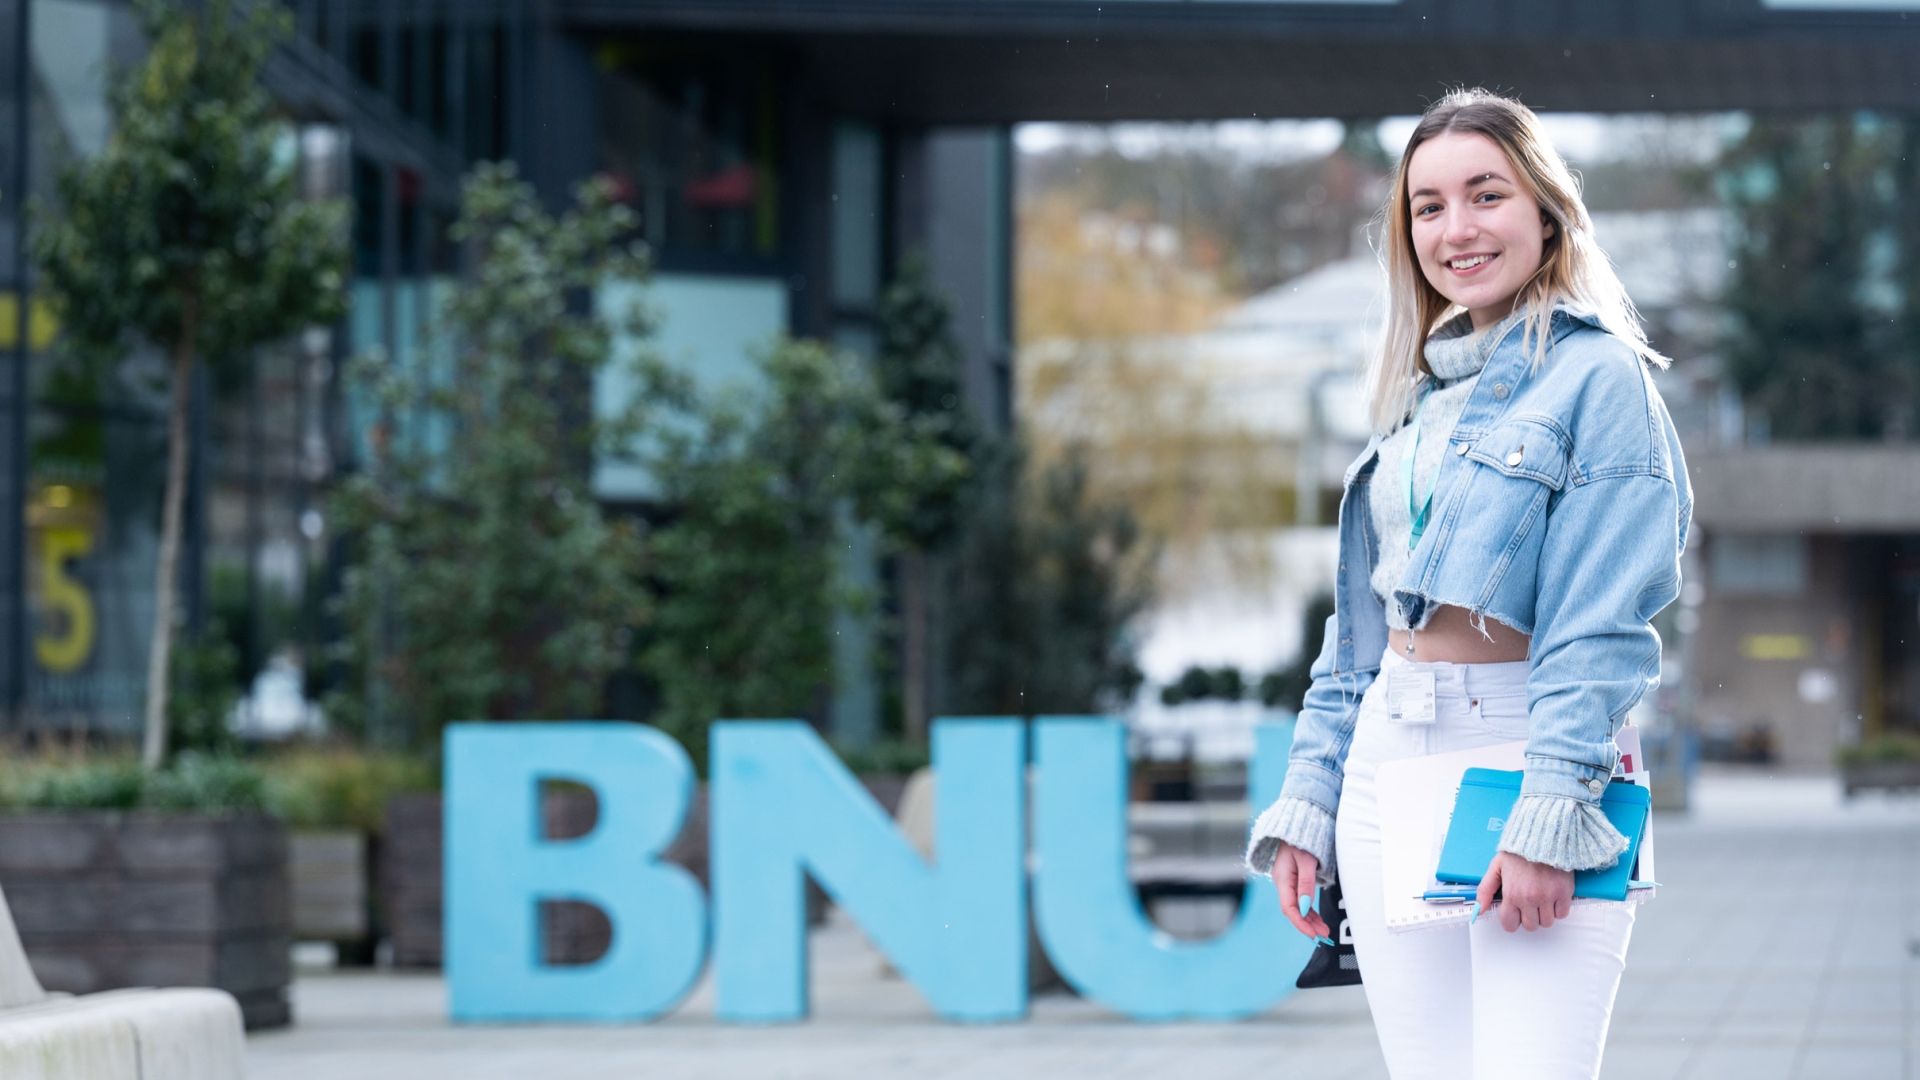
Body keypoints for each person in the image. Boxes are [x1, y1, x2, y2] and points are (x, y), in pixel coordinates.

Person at [1244, 87, 1692, 1079]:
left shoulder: (1599, 380)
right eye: (1429, 206)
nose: (1457, 229)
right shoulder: (1418, 393)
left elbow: (1599, 626)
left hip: (1524, 749)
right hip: (1383, 757)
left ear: (1545, 209)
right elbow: (1357, 632)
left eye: (1485, 194)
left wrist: (1549, 811)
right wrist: (1309, 799)